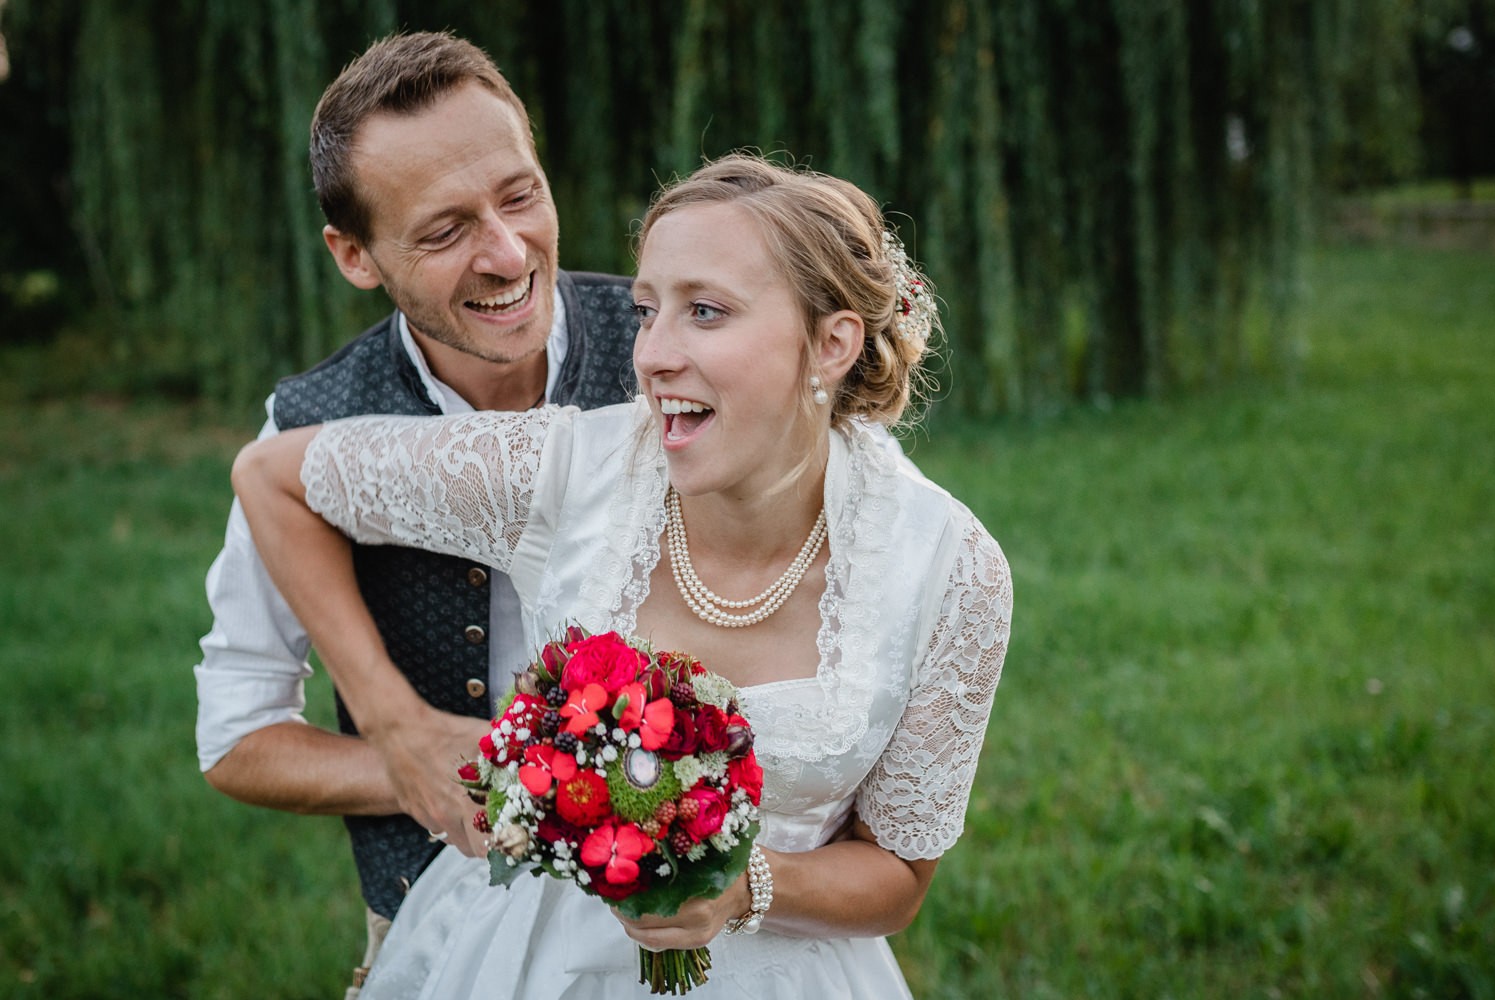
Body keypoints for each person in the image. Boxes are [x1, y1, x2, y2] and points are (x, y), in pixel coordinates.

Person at [232, 152, 1013, 998]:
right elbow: (270, 477)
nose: (653, 355)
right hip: (530, 961)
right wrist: (393, 722)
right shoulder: (570, 469)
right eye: (648, 311)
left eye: (705, 312)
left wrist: (744, 885)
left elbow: (897, 878)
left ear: (830, 343)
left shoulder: (947, 569)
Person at [192, 30, 638, 990]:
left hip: (687, 924)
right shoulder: (307, 426)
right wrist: (403, 753)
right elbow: (235, 739)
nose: (508, 252)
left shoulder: (671, 351)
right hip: (442, 935)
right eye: (444, 231)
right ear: (354, 255)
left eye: (520, 195)